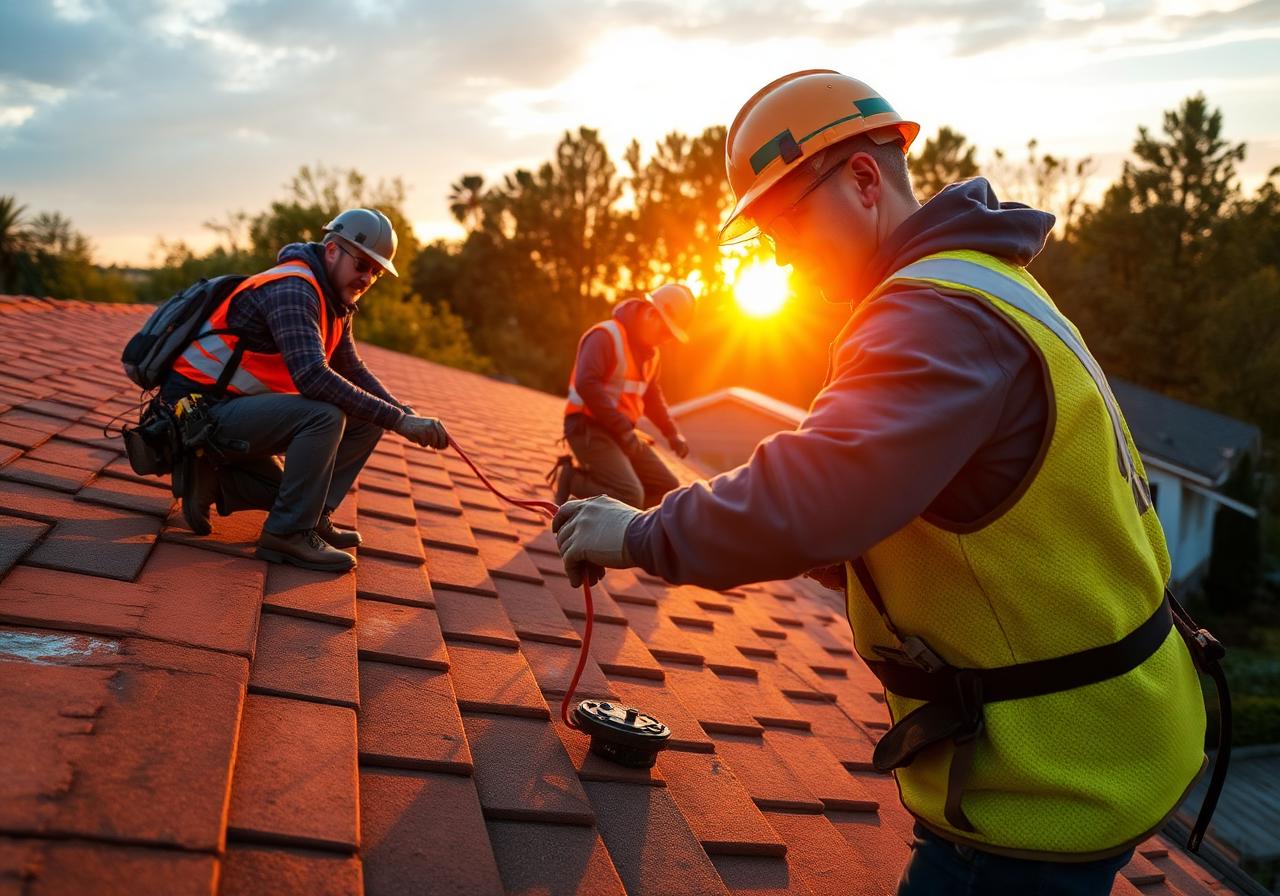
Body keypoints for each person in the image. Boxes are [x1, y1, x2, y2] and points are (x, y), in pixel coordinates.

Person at [553, 71, 1214, 894]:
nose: (782, 260)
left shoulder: (933, 315)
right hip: (1099, 737)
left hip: (1047, 776)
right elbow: (942, 508)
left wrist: (640, 531)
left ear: (864, 181)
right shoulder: (984, 284)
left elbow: (817, 492)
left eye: (786, 227)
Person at [161, 207, 449, 573]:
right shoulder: (293, 289)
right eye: (362, 264)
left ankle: (304, 514)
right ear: (332, 250)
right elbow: (312, 377)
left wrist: (401, 413)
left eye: (376, 272)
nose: (366, 277)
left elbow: (352, 369)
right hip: (197, 415)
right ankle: (287, 532)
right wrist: (398, 421)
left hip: (233, 412)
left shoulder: (335, 301)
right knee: (324, 416)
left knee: (368, 417)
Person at [547, 283, 695, 510]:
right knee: (629, 494)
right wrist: (623, 430)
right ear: (650, 313)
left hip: (620, 432)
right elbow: (587, 384)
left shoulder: (652, 354)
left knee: (667, 489)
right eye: (665, 331)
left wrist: (671, 433)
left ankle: (618, 518)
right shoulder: (606, 336)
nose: (666, 339)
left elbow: (651, 397)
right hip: (587, 427)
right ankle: (571, 480)